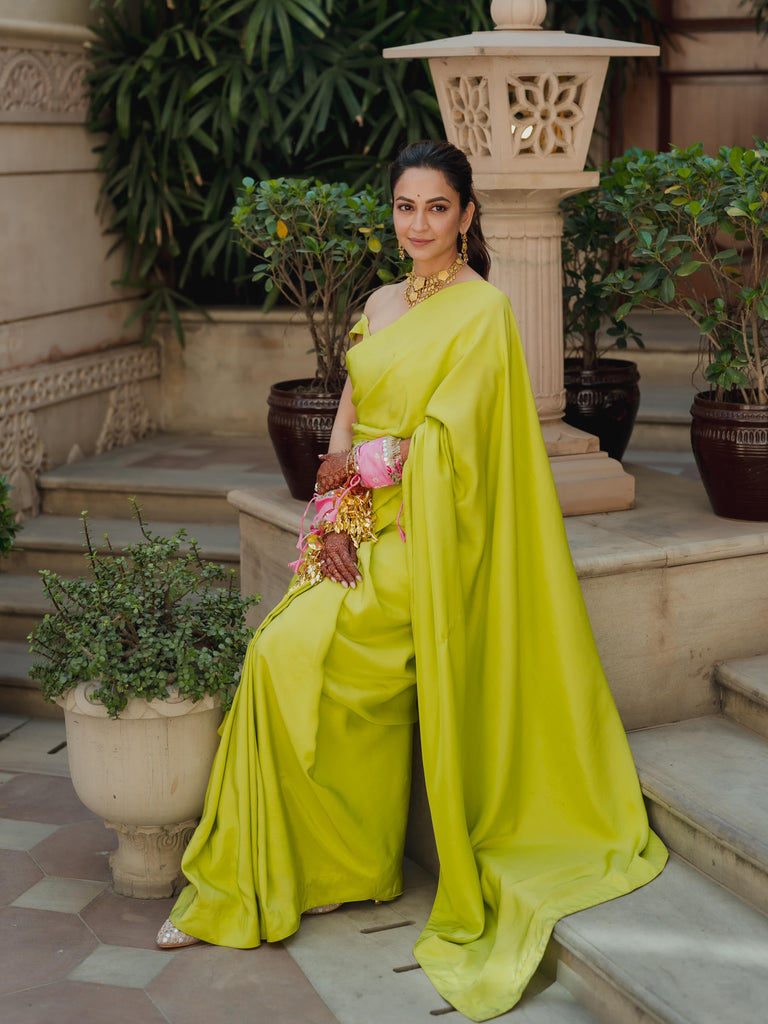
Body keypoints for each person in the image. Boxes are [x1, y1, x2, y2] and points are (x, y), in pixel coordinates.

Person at [155, 140, 667, 1022]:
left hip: (432, 540)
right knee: (278, 652)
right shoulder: (380, 301)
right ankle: (302, 871)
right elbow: (350, 417)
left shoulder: (484, 313)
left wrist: (370, 467)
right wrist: (333, 508)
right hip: (360, 525)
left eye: (437, 207)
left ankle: (308, 868)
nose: (419, 224)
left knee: (298, 657)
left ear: (467, 216)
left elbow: (461, 449)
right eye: (405, 206)